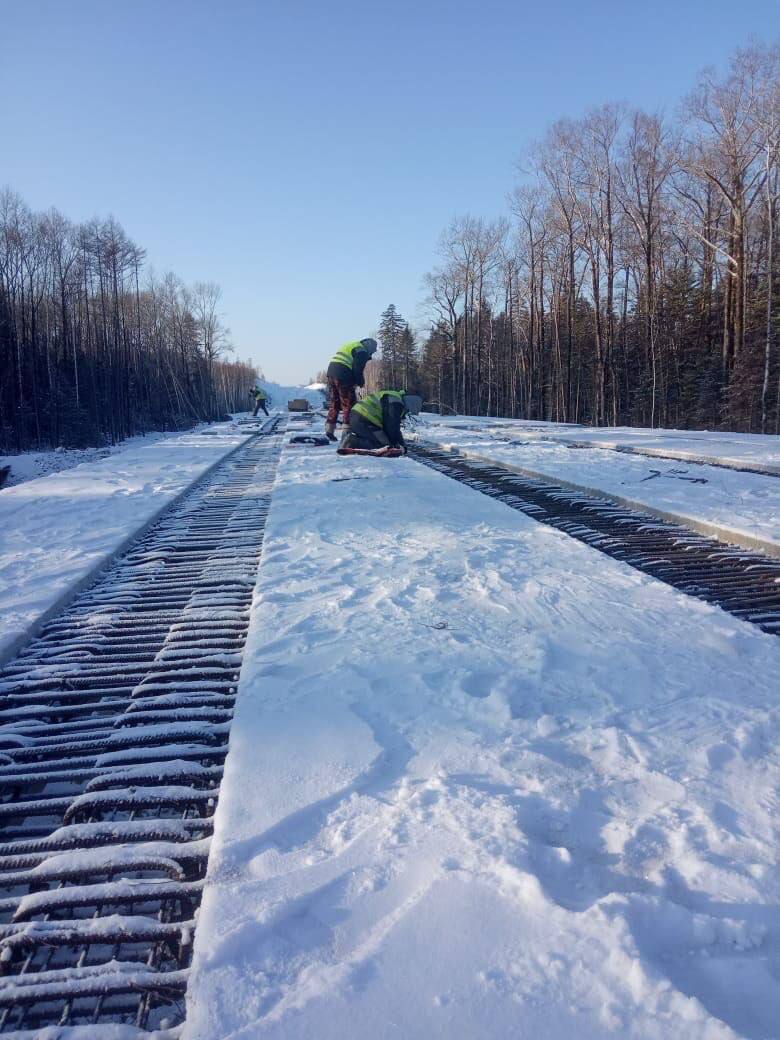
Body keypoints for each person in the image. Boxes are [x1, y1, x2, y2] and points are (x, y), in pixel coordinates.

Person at [325, 338, 378, 441]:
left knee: (334, 403)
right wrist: (360, 383)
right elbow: (357, 369)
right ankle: (347, 434)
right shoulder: (362, 351)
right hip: (343, 374)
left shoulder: (352, 345)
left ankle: (329, 430)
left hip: (331, 373)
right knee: (348, 404)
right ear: (369, 348)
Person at [340, 390, 423, 453]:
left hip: (360, 417)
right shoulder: (396, 402)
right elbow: (391, 427)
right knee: (385, 446)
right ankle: (353, 442)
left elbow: (394, 428)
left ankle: (353, 439)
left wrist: (401, 445)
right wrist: (397, 445)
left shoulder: (395, 397)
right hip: (364, 419)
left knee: (386, 442)